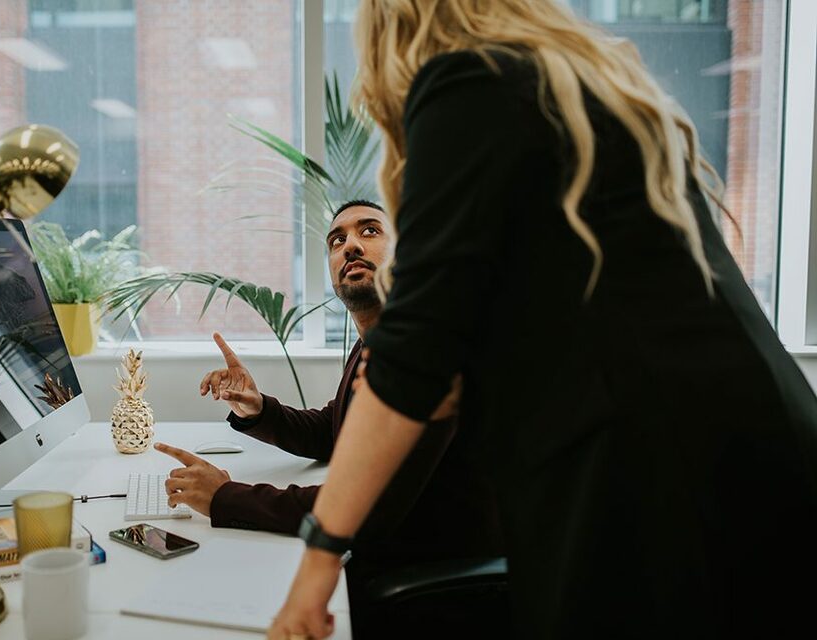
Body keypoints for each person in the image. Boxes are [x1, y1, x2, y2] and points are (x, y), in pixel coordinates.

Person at [269, 2, 817, 639]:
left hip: (657, 481)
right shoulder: (586, 87)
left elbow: (414, 362)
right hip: (764, 447)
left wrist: (318, 558)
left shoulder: (465, 84)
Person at [154, 200, 503, 633]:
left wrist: (226, 497)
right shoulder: (375, 344)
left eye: (369, 231)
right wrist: (257, 407)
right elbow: (333, 431)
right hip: (382, 560)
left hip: (427, 589)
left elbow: (362, 504)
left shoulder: (424, 354)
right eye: (337, 240)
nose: (350, 245)